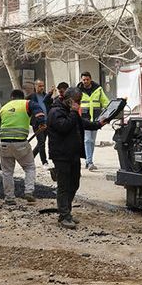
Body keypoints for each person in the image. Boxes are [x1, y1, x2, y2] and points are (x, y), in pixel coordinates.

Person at [47, 87, 109, 229]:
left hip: (73, 154)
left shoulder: (70, 112)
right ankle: (64, 216)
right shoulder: (55, 112)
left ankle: (66, 211)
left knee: (74, 184)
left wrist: (99, 124)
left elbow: (82, 123)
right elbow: (64, 127)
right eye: (77, 101)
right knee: (63, 186)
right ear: (69, 100)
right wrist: (74, 112)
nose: (79, 104)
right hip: (61, 155)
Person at [0, 89, 40, 205]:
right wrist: (42, 122)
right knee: (29, 167)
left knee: (7, 172)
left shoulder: (4, 108)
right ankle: (29, 191)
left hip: (4, 144)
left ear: (11, 98)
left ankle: (9, 198)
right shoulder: (27, 103)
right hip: (21, 143)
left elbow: (1, 123)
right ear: (23, 97)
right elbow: (39, 112)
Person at [77, 71, 109, 171]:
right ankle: (89, 162)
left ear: (90, 79)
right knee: (87, 140)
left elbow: (105, 102)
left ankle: (89, 160)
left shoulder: (98, 89)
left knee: (92, 141)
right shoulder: (78, 90)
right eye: (83, 80)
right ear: (81, 80)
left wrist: (108, 113)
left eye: (87, 79)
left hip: (96, 118)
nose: (85, 81)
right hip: (84, 119)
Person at [27, 80, 53, 167]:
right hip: (37, 123)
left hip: (47, 122)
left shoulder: (46, 96)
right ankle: (44, 162)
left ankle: (30, 158)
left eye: (43, 86)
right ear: (35, 86)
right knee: (41, 142)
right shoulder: (31, 97)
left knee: (41, 142)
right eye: (39, 86)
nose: (41, 88)